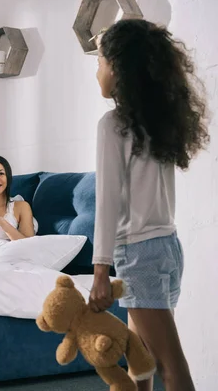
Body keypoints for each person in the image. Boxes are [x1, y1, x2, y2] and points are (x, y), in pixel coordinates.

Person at [88, 20, 209, 391]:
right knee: (141, 361)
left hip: (138, 253)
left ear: (119, 70)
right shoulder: (156, 124)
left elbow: (107, 201)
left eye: (101, 63)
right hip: (166, 249)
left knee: (171, 366)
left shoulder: (113, 125)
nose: (98, 73)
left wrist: (99, 271)